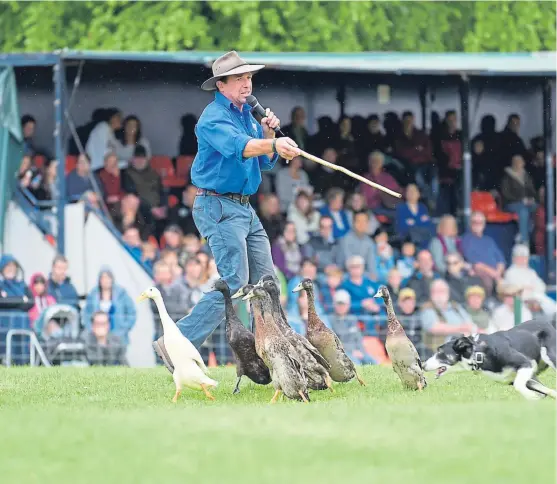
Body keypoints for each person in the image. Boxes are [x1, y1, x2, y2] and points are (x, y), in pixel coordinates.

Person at [154, 51, 300, 368]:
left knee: (267, 283)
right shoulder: (212, 119)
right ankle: (175, 343)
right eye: (239, 78)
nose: (247, 84)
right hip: (217, 205)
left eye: (248, 77)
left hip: (244, 207)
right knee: (234, 282)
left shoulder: (247, 113)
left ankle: (274, 353)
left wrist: (269, 133)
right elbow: (241, 148)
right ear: (221, 85)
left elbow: (263, 160)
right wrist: (272, 143)